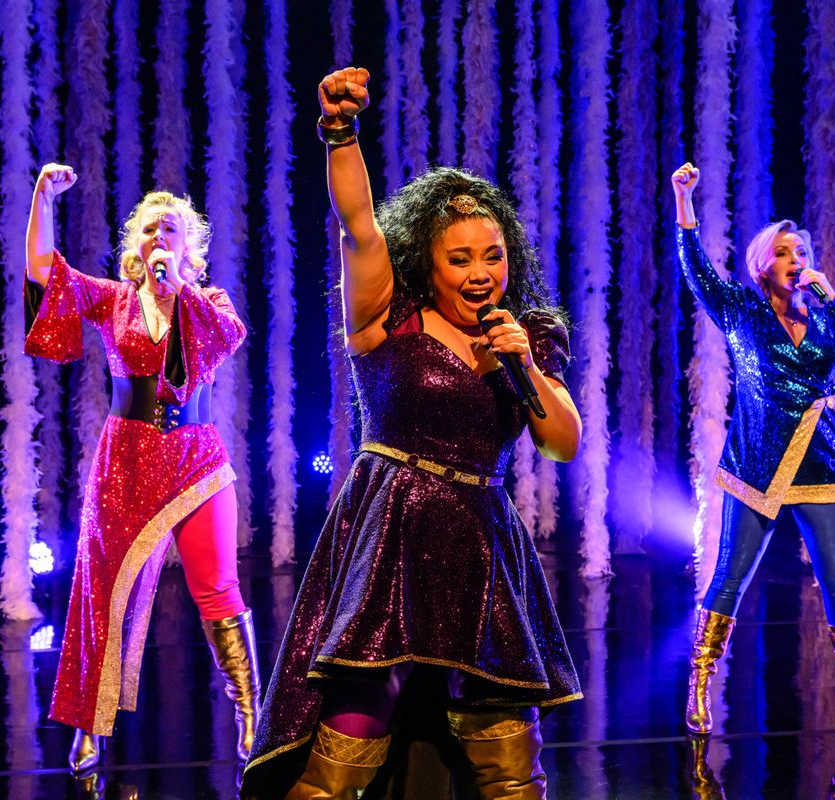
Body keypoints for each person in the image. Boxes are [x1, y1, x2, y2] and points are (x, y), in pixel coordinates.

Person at [240, 68, 582, 799]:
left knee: (506, 749)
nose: (481, 272)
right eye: (460, 258)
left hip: (481, 549)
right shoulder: (387, 320)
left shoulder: (523, 338)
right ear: (428, 261)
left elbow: (562, 443)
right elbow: (359, 226)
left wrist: (522, 364)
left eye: (492, 255)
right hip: (391, 536)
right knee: (354, 728)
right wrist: (340, 132)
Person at [24, 163, 260, 773]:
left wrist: (177, 288)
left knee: (218, 586)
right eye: (151, 229)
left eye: (171, 229)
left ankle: (249, 712)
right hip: (127, 460)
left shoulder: (208, 301)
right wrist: (42, 199)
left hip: (197, 457)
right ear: (137, 244)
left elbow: (228, 337)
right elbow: (44, 272)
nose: (160, 237)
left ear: (188, 246)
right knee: (102, 588)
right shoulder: (114, 300)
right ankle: (88, 725)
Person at [671, 161, 835, 735]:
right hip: (756, 466)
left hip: (820, 463)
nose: (798, 260)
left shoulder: (826, 319)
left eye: (803, 252)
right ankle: (699, 688)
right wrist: (684, 201)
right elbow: (696, 271)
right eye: (786, 252)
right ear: (762, 265)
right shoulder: (741, 311)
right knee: (729, 578)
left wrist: (833, 299)